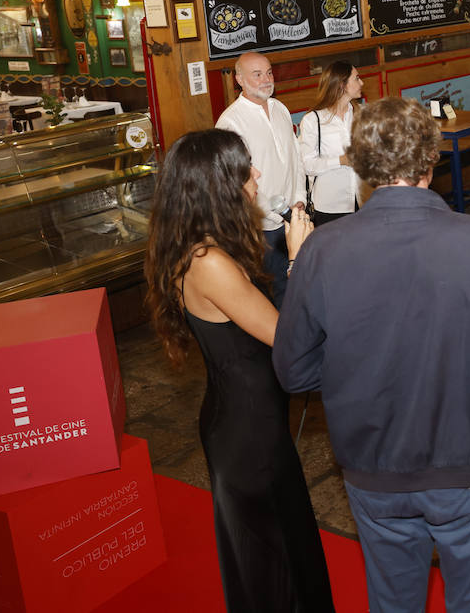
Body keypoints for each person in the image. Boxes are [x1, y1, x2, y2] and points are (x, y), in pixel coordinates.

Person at [274, 97, 470, 612]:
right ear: (431, 159)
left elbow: (294, 371)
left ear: (360, 167)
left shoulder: (322, 250)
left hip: (376, 466)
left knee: (394, 602)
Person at [145, 129, 332, 612]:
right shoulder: (207, 262)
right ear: (218, 184)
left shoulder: (209, 244)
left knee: (285, 546)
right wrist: (299, 259)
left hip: (255, 418)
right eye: (245, 169)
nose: (257, 175)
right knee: (273, 562)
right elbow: (289, 337)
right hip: (247, 431)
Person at [216, 52, 305, 307]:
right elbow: (236, 184)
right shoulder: (230, 122)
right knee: (280, 294)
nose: (266, 79)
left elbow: (296, 159)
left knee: (301, 287)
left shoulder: (281, 108)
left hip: (294, 216)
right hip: (263, 228)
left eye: (269, 72)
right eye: (257, 74)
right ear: (239, 79)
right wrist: (274, 214)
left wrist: (298, 200)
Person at [298, 61, 363, 225]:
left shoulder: (360, 112)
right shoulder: (313, 120)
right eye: (357, 78)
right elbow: (307, 165)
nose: (362, 83)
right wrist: (341, 160)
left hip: (362, 199)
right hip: (330, 205)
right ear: (342, 85)